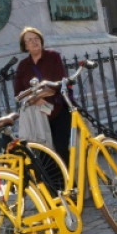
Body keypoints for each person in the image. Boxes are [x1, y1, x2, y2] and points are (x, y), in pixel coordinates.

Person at [12, 27, 71, 164]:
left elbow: (59, 82)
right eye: (30, 40)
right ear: (25, 46)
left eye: (36, 39)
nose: (34, 42)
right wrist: (35, 100)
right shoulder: (23, 65)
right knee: (45, 152)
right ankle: (55, 184)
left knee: (62, 148)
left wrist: (40, 95)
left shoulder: (53, 57)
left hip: (57, 110)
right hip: (38, 115)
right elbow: (18, 93)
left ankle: (71, 182)